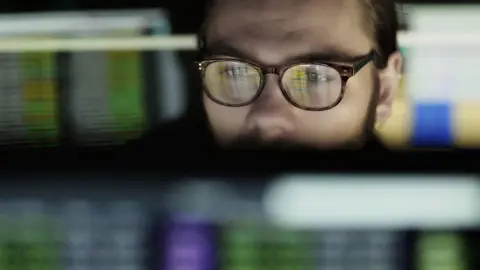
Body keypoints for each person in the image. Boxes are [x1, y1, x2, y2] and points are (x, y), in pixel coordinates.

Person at [121, 0, 404, 161]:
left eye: (314, 76)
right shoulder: (123, 187)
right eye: (234, 72)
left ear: (384, 91)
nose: (268, 120)